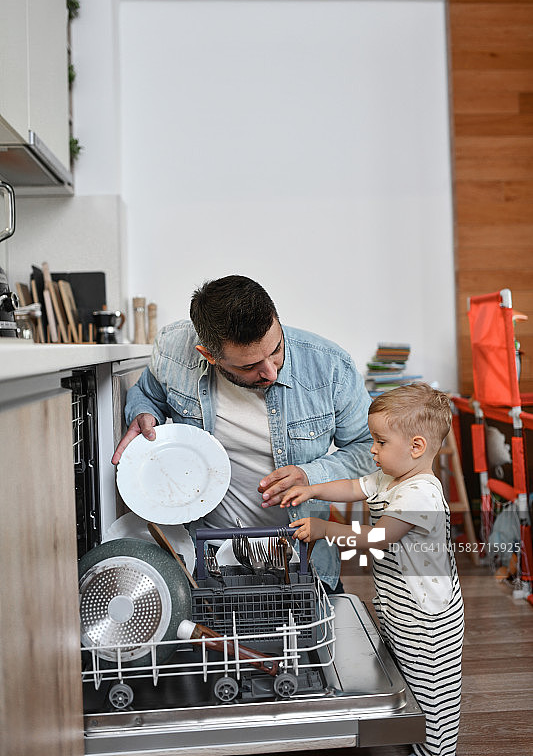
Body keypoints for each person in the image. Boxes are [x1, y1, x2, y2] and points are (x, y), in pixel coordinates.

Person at [112, 275, 375, 590]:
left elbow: (369, 449)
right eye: (250, 366)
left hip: (303, 562)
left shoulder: (331, 367)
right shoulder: (173, 350)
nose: (271, 371)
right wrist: (144, 413)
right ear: (208, 355)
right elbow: (148, 393)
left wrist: (311, 475)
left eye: (276, 349)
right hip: (206, 562)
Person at [280, 383, 464, 756]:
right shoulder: (391, 478)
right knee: (405, 678)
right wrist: (312, 490)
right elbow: (353, 486)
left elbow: (379, 538)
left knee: (432, 694)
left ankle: (434, 751)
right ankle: (408, 742)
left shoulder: (421, 493)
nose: (372, 450)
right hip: (400, 606)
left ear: (416, 447)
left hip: (427, 619)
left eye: (380, 442)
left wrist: (325, 529)